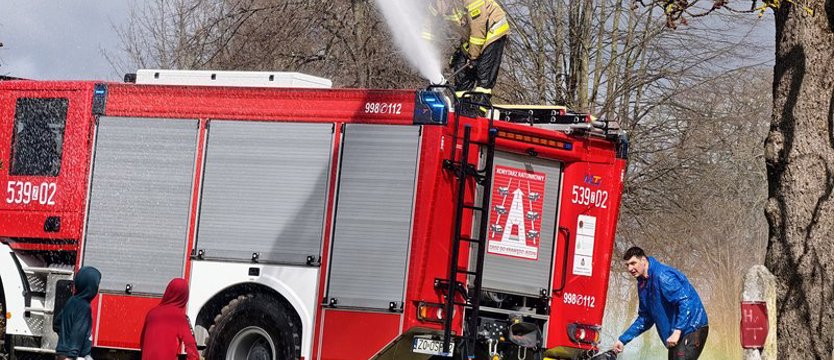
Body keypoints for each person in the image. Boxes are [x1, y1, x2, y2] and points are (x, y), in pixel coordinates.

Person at [613, 246, 709, 360]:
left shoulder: (663, 276)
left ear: (643, 260)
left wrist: (678, 331)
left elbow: (685, 302)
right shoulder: (642, 285)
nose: (630, 268)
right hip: (676, 334)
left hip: (692, 327)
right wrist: (623, 340)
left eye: (633, 263)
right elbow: (645, 318)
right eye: (627, 265)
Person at [425, 0, 510, 107]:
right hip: (471, 37)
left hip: (492, 30)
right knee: (461, 73)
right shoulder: (435, 4)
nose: (442, 6)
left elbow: (478, 29)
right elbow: (427, 27)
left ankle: (478, 111)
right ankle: (461, 108)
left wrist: (473, 57)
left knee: (483, 74)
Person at [140, 278, 199, 360]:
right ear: (185, 296)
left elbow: (143, 343)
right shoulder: (180, 318)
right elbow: (191, 348)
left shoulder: (151, 314)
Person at [54, 266, 101, 360]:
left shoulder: (71, 301)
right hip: (75, 356)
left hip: (62, 353)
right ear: (91, 286)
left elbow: (56, 324)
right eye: (97, 284)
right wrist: (71, 355)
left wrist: (64, 341)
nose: (98, 287)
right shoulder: (84, 307)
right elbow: (78, 332)